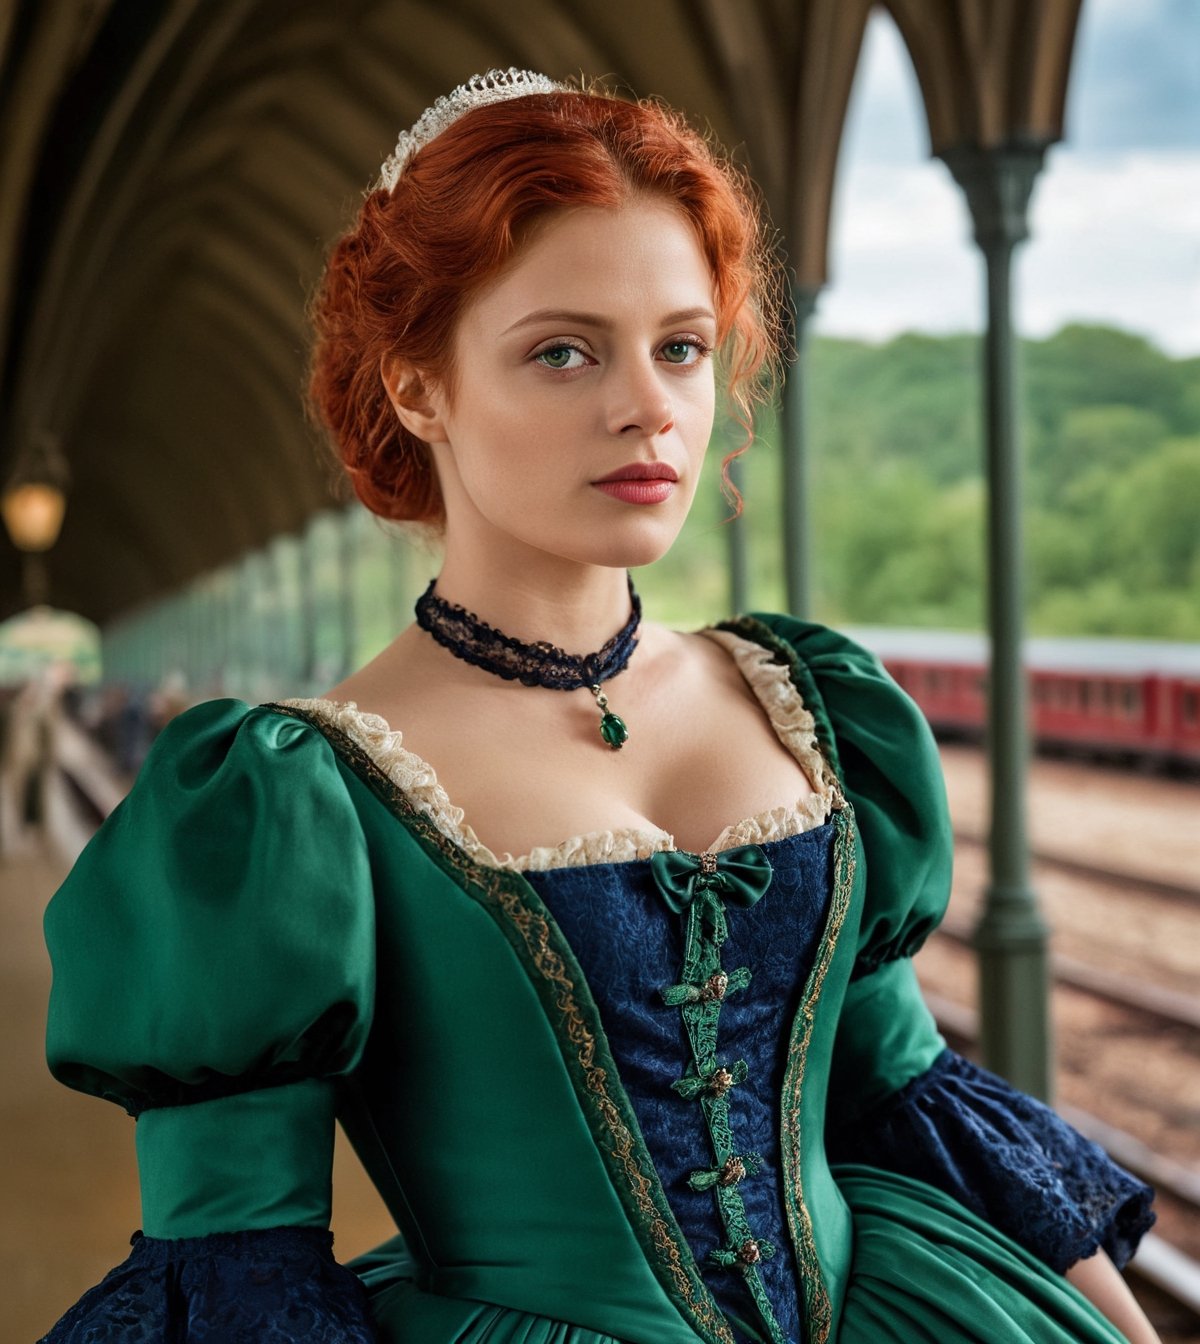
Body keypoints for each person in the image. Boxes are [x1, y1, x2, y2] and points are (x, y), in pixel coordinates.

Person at [39, 70, 1158, 1344]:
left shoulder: (811, 703)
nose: (650, 408)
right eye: (564, 351)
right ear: (418, 387)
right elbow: (237, 1265)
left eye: (681, 346)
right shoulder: (287, 804)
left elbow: (901, 1095)